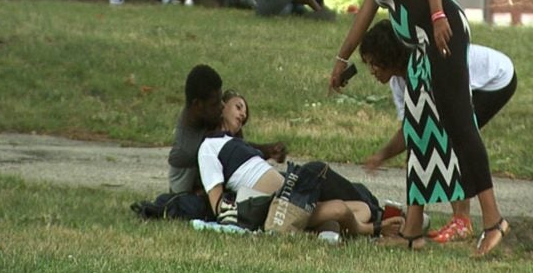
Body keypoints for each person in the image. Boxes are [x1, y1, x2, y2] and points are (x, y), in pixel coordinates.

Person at [329, 0, 510, 254]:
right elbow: (364, 13)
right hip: (418, 50)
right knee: (418, 129)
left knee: (461, 125)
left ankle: (493, 221)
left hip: (441, 35)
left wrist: (438, 16)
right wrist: (340, 59)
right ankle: (412, 229)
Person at [360, 19, 517, 243]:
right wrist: (381, 155)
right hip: (474, 83)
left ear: (390, 57)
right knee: (434, 135)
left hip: (495, 79)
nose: (371, 71)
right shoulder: (400, 82)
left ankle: (462, 221)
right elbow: (410, 130)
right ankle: (444, 223)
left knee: (452, 136)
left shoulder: (429, 69)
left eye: (374, 63)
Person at [198, 89, 404, 238]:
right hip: (276, 208)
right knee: (319, 174)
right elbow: (218, 206)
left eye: (244, 114)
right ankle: (379, 224)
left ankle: (372, 222)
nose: (243, 115)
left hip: (294, 198)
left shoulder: (237, 144)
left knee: (360, 208)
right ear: (222, 105)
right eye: (238, 106)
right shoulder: (209, 147)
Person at [168, 66, 287, 195]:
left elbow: (235, 147)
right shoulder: (188, 149)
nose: (222, 106)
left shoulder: (206, 115)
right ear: (198, 105)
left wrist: (268, 150)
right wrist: (266, 151)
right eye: (215, 103)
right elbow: (233, 152)